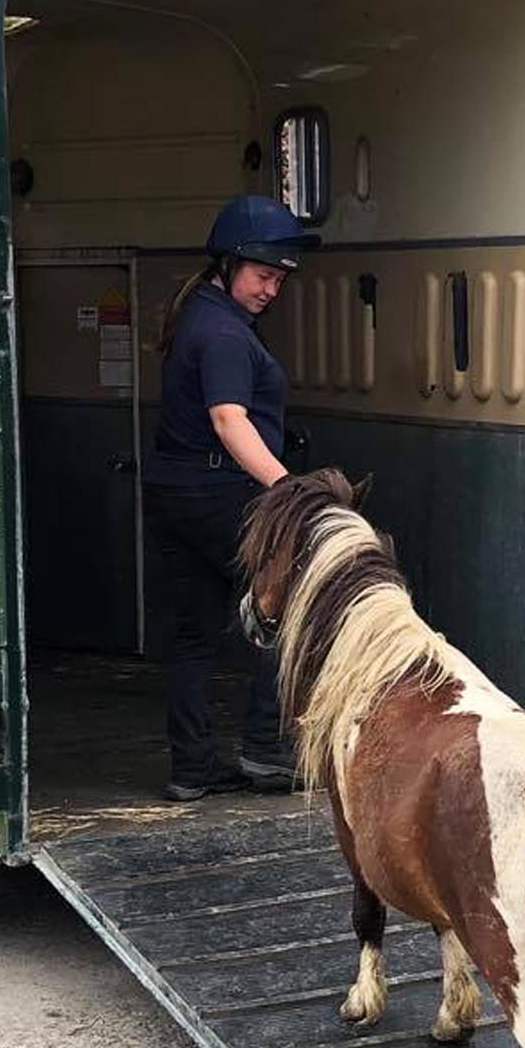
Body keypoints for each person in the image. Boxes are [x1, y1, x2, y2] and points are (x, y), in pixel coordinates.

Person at [146, 195, 318, 801]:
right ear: (227, 263)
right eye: (263, 275)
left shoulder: (200, 313)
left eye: (279, 280)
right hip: (221, 492)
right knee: (290, 603)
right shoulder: (222, 332)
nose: (272, 289)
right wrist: (286, 487)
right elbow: (228, 419)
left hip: (175, 491)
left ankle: (191, 768)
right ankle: (267, 748)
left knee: (195, 635)